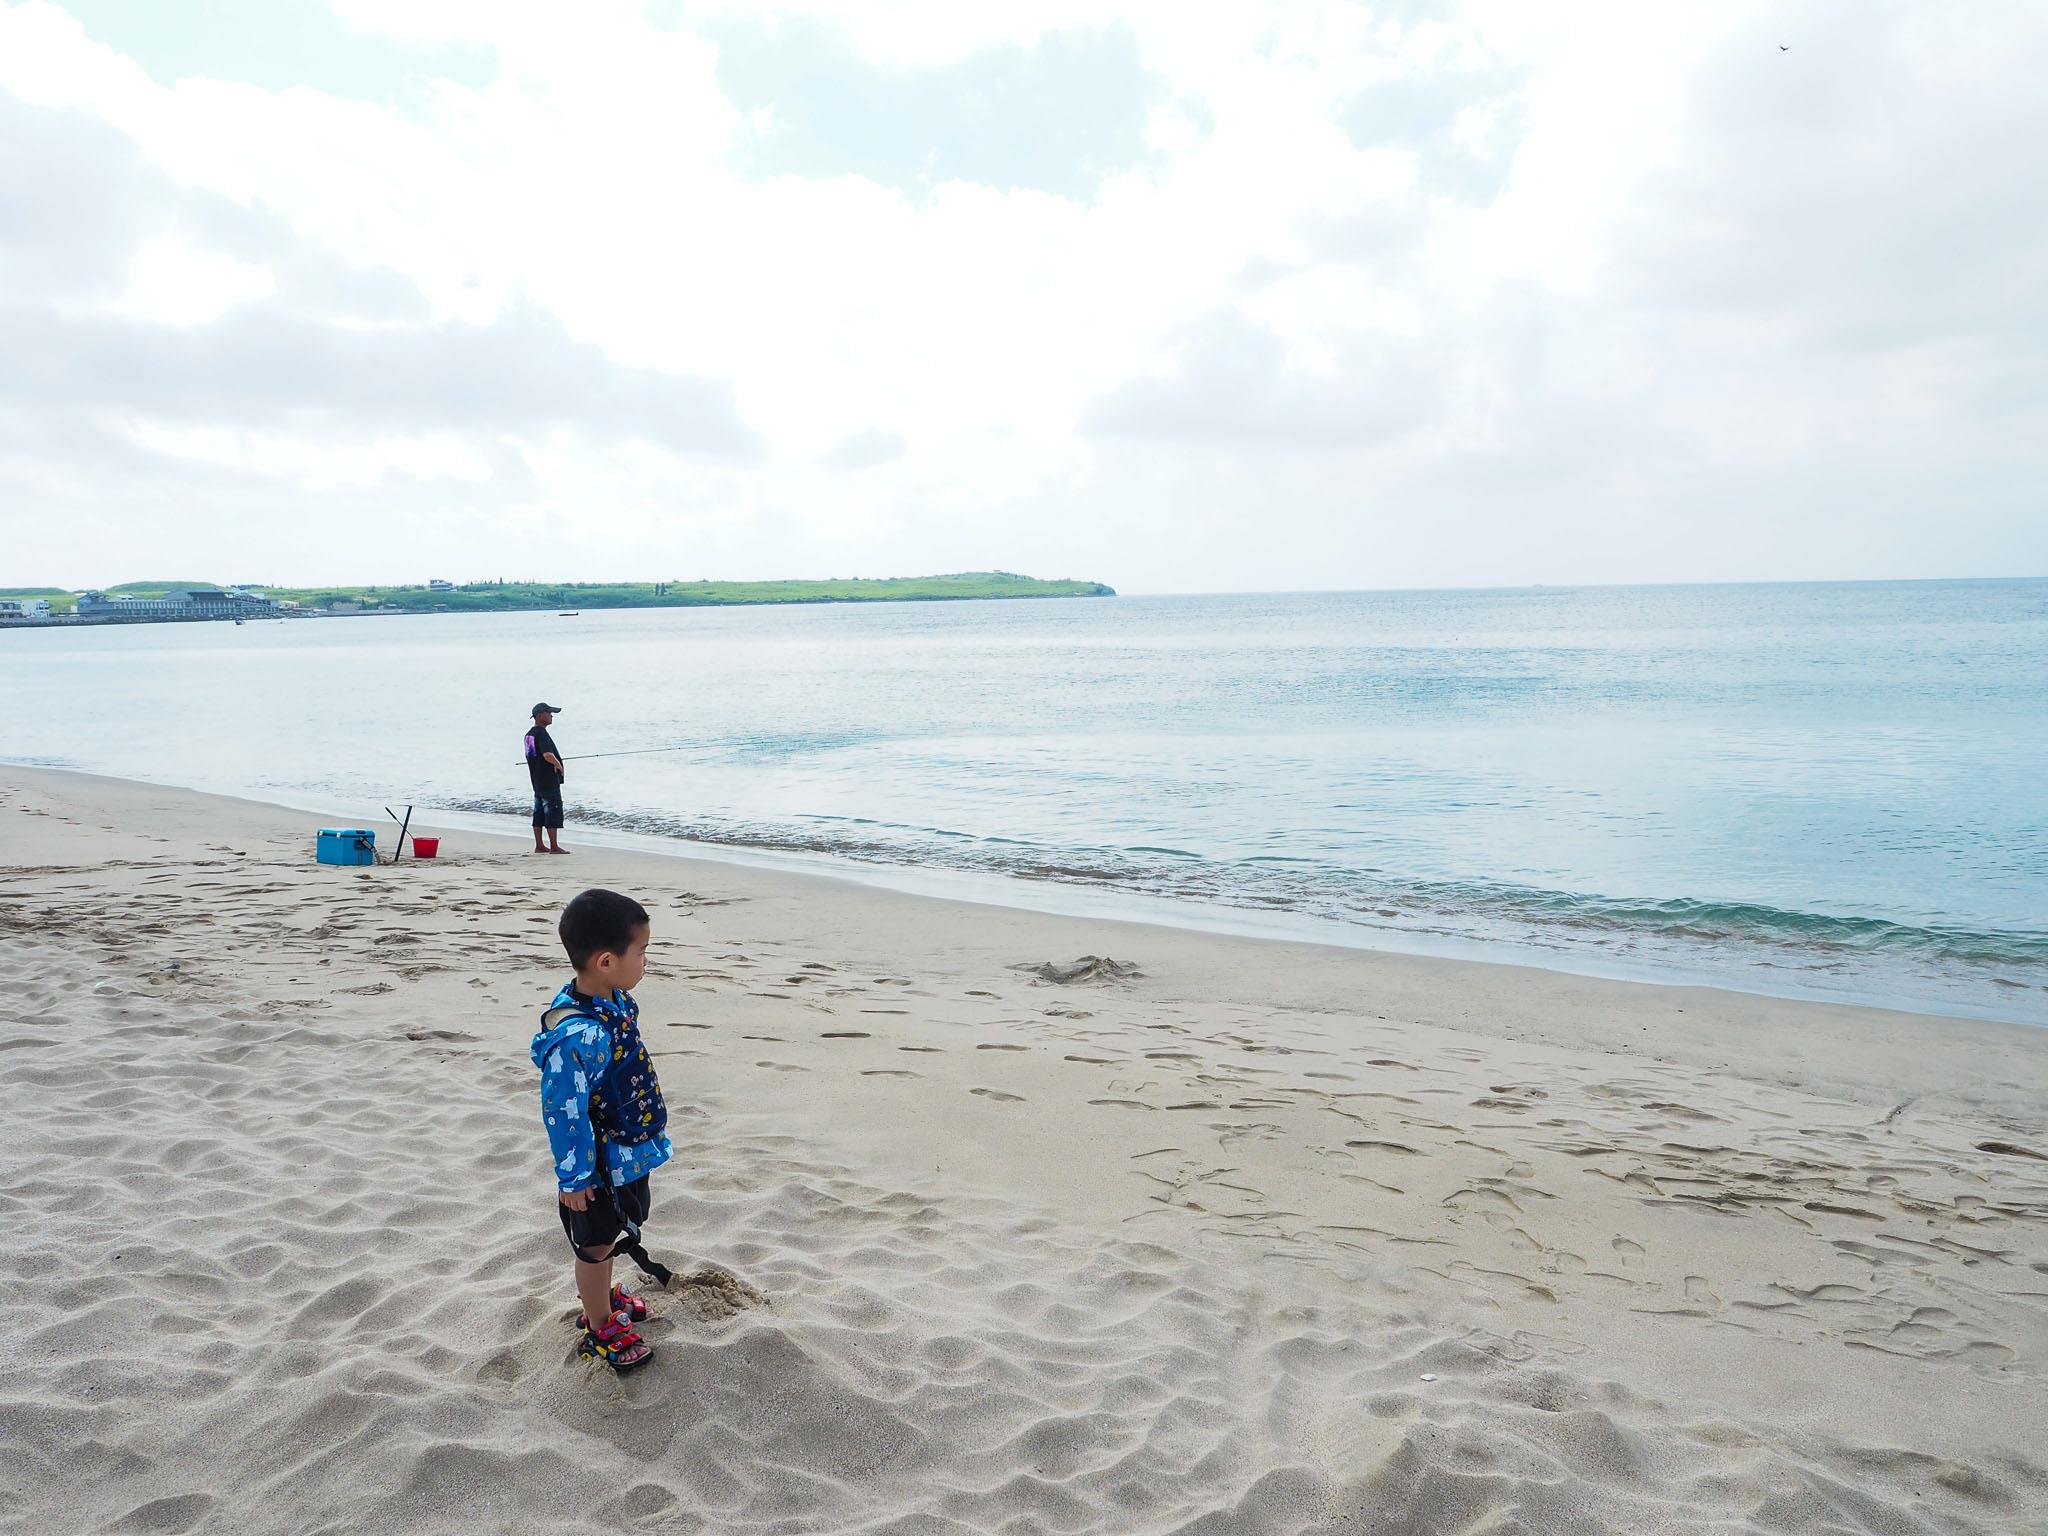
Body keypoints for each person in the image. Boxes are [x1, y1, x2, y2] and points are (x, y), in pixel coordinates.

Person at [530, 888, 673, 1373]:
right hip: (596, 1168)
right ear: (607, 961)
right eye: (642, 951)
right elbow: (563, 1110)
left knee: (612, 1231)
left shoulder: (615, 1000)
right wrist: (575, 1178)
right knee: (593, 1247)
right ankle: (599, 1324)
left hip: (625, 1152)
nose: (646, 961)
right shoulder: (578, 1034)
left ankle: (602, 1299)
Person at [525, 703, 568, 854]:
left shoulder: (529, 735)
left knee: (539, 812)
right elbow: (547, 754)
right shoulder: (541, 733)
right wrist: (559, 765)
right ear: (540, 715)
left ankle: (539, 845)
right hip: (548, 780)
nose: (551, 715)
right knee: (552, 811)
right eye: (549, 712)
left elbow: (531, 757)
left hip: (536, 780)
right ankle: (554, 846)